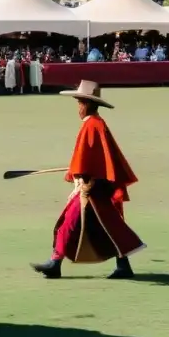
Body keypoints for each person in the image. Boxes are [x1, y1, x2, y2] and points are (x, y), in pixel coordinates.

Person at [31, 80, 144, 280]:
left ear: (87, 104)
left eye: (79, 103)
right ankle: (122, 265)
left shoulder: (92, 125)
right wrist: (78, 171)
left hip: (91, 187)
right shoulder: (95, 124)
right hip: (95, 184)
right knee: (109, 226)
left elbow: (89, 159)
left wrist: (81, 180)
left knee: (70, 222)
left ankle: (55, 263)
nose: (78, 107)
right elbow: (93, 157)